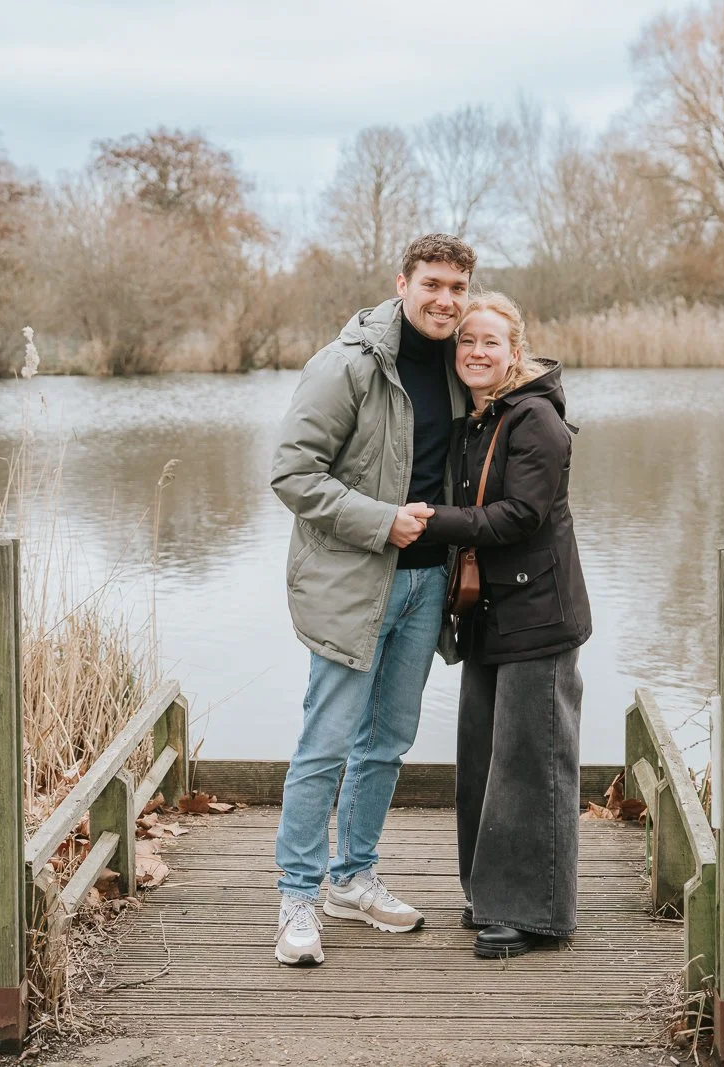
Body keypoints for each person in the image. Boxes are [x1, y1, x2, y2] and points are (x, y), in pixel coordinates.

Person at [268, 233, 477, 966]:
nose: (445, 299)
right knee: (325, 744)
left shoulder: (460, 367)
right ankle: (297, 896)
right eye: (432, 284)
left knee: (386, 742)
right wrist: (379, 520)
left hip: (425, 585)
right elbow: (293, 474)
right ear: (403, 283)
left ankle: (352, 878)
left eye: (457, 286)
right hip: (355, 581)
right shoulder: (347, 365)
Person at [413, 291, 592, 958]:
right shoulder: (481, 419)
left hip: (540, 616)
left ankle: (537, 915)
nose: (476, 351)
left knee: (534, 765)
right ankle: (492, 895)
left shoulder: (536, 419)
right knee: (485, 760)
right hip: (490, 614)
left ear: (515, 352)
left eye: (490, 341)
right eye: (466, 341)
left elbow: (521, 515)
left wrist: (430, 520)